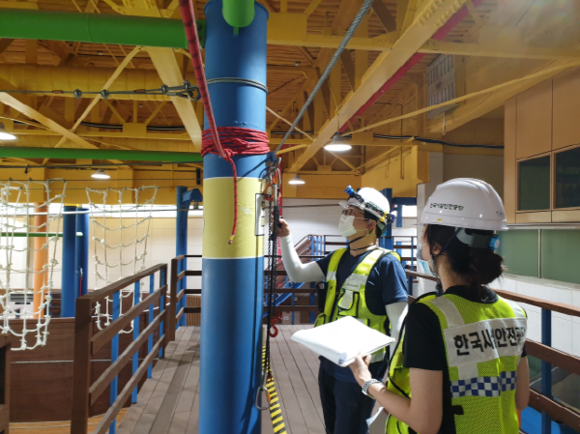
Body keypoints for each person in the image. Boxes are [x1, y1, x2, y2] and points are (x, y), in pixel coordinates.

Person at [349, 178, 530, 434]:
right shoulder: (514, 313)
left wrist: (367, 382)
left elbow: (425, 423)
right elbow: (520, 400)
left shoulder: (431, 316)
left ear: (435, 245)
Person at [278, 185, 409, 434]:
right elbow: (296, 274)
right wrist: (285, 237)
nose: (344, 217)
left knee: (350, 428)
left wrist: (394, 377)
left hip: (362, 366)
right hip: (330, 360)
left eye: (351, 212)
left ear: (371, 224)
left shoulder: (387, 264)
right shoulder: (337, 258)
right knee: (334, 427)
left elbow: (399, 324)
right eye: (345, 211)